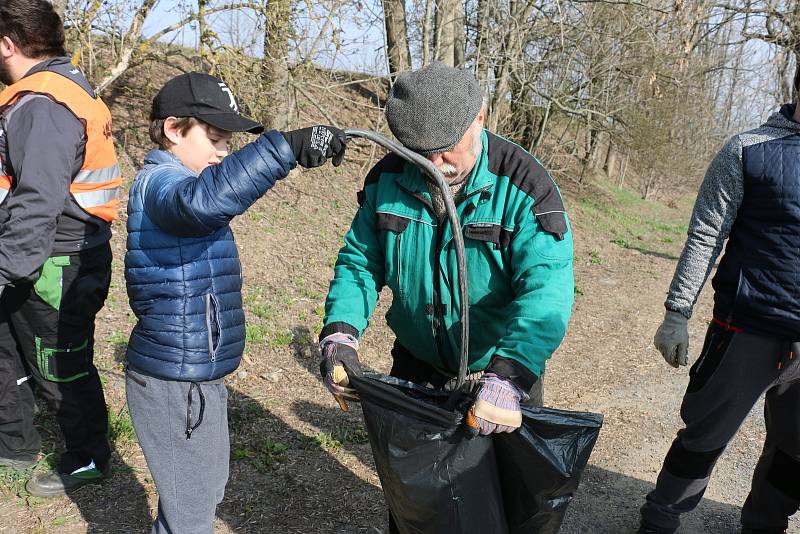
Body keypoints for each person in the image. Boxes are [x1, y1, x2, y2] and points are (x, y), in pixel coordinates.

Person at [317, 62, 574, 530]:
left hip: (498, 377)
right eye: (421, 153)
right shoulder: (387, 180)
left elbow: (547, 293)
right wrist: (341, 333)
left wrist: (511, 374)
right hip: (418, 368)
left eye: (445, 150)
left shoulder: (525, 188)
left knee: (504, 505)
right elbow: (360, 262)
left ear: (479, 117)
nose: (434, 166)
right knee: (416, 502)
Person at [124, 71, 346, 533]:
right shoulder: (161, 184)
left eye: (228, 141)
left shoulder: (184, 182)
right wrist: (284, 149)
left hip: (197, 376)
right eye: (214, 137)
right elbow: (202, 204)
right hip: (173, 381)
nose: (222, 150)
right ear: (172, 129)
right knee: (190, 510)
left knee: (203, 491)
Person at [638, 72, 800, 534]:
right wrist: (677, 312)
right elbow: (708, 232)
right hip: (746, 327)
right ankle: (660, 520)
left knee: (795, 450)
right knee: (704, 437)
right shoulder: (748, 150)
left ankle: (765, 525)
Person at [0, 0, 121, 496]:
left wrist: (5, 270)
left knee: (59, 366)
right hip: (30, 256)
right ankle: (14, 446)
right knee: (7, 354)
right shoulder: (46, 93)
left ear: (6, 44)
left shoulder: (45, 106)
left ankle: (90, 455)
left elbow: (36, 203)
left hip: (57, 263)